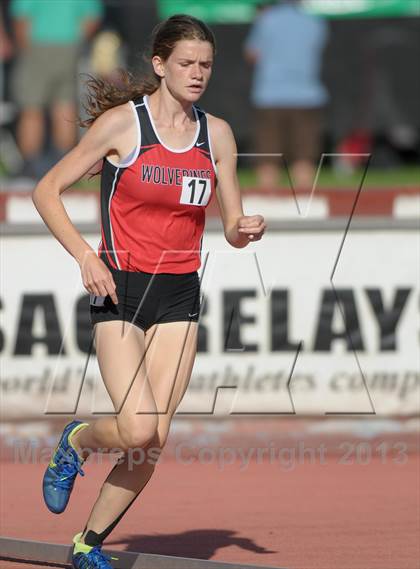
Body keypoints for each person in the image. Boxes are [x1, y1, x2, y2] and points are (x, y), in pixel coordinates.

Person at [32, 14, 266, 569]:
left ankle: (87, 545)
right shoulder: (122, 126)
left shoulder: (219, 135)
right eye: (186, 63)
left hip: (181, 293)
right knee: (135, 426)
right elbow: (48, 190)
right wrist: (86, 256)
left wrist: (243, 229)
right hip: (121, 288)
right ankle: (77, 440)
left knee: (152, 439)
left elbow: (230, 227)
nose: (197, 73)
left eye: (206, 64)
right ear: (160, 65)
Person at [10, 0, 103, 180]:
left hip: (37, 43)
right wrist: (75, 38)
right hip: (69, 45)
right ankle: (65, 165)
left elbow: (22, 18)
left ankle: (30, 166)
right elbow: (92, 16)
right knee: (64, 104)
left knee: (31, 107)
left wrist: (25, 49)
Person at [244, 0, 329, 190]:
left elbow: (252, 54)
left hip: (269, 96)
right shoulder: (315, 22)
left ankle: (267, 206)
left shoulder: (266, 20)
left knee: (267, 158)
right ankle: (306, 210)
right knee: (304, 157)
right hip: (306, 96)